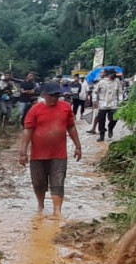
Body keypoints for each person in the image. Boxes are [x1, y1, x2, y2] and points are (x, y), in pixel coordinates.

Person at [19, 81, 82, 218]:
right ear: (44, 95)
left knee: (58, 181)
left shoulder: (65, 107)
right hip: (38, 154)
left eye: (57, 95)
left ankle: (57, 211)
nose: (55, 98)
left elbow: (71, 127)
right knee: (39, 182)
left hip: (59, 153)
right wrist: (23, 153)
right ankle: (40, 206)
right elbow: (28, 131)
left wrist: (78, 146)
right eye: (52, 95)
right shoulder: (35, 110)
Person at [93, 68, 123, 141]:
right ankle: (101, 135)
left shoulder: (117, 81)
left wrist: (120, 101)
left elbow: (120, 92)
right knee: (101, 120)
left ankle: (110, 128)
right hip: (102, 104)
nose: (114, 76)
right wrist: (95, 101)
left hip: (113, 104)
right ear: (109, 74)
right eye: (113, 74)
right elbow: (95, 92)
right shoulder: (102, 82)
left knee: (114, 118)